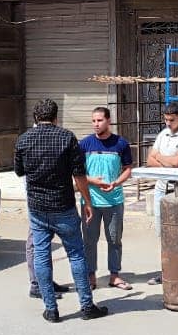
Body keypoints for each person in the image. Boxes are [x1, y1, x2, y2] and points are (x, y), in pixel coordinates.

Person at [14, 99, 108, 323]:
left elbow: (19, 171)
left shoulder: (24, 139)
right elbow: (79, 175)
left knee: (41, 255)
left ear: (35, 118)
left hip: (37, 209)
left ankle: (51, 310)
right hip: (64, 207)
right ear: (56, 117)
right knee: (76, 255)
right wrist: (88, 202)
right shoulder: (67, 137)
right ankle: (87, 306)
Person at [79, 107, 133, 291]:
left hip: (114, 201)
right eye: (93, 121)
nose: (96, 124)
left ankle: (114, 275)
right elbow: (78, 173)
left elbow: (128, 169)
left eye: (100, 120)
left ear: (109, 121)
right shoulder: (84, 144)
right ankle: (90, 276)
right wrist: (93, 181)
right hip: (90, 202)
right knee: (89, 241)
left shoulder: (121, 144)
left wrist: (116, 183)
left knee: (114, 240)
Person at [144, 103, 178, 285]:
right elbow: (149, 160)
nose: (168, 123)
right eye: (166, 119)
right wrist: (166, 162)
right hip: (162, 188)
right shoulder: (163, 135)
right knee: (164, 232)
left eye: (172, 120)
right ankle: (168, 271)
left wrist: (160, 158)